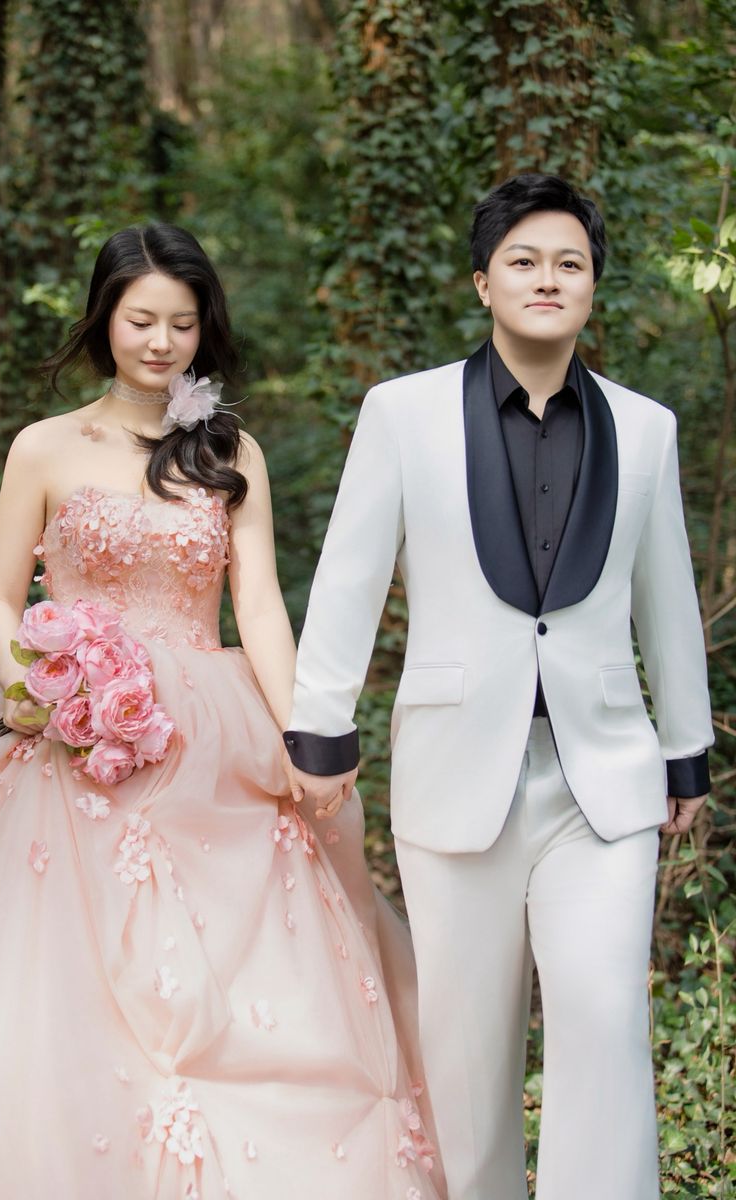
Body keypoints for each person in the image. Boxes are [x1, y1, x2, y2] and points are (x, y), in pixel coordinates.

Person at [0, 223, 445, 1199]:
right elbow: (1, 597)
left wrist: (304, 732)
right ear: (104, 320)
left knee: (248, 961)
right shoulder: (43, 447)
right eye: (141, 320)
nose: (161, 342)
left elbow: (259, 605)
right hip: (71, 737)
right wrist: (32, 689)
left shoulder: (229, 449)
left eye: (181, 322)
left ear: (204, 328)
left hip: (211, 734)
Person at [283, 174, 714, 1200]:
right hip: (455, 770)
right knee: (467, 1049)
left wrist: (685, 748)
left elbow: (666, 597)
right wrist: (319, 730)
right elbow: (348, 577)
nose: (546, 278)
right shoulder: (402, 413)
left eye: (569, 262)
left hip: (602, 775)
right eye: (523, 260)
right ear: (484, 282)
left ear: (593, 286)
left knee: (603, 1017)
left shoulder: (645, 428)